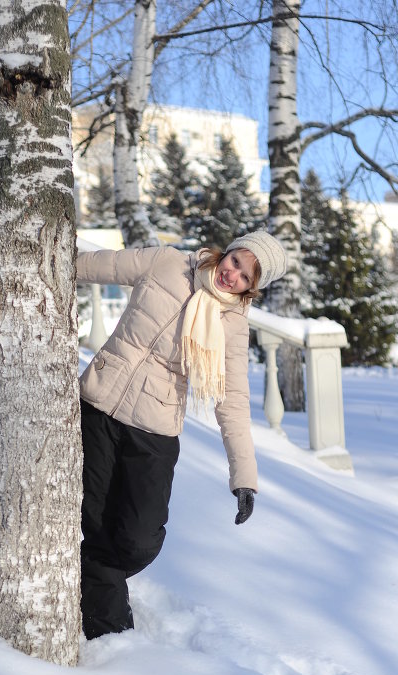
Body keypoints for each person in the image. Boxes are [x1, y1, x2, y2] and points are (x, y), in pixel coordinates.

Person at [76, 230, 287, 640]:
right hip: (99, 407)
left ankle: (95, 589)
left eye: (246, 277)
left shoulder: (233, 325)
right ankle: (111, 638)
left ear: (251, 289)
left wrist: (243, 476)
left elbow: (234, 400)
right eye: (237, 262)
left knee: (139, 541)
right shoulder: (167, 263)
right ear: (227, 252)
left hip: (154, 432)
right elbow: (98, 265)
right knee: (95, 523)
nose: (233, 275)